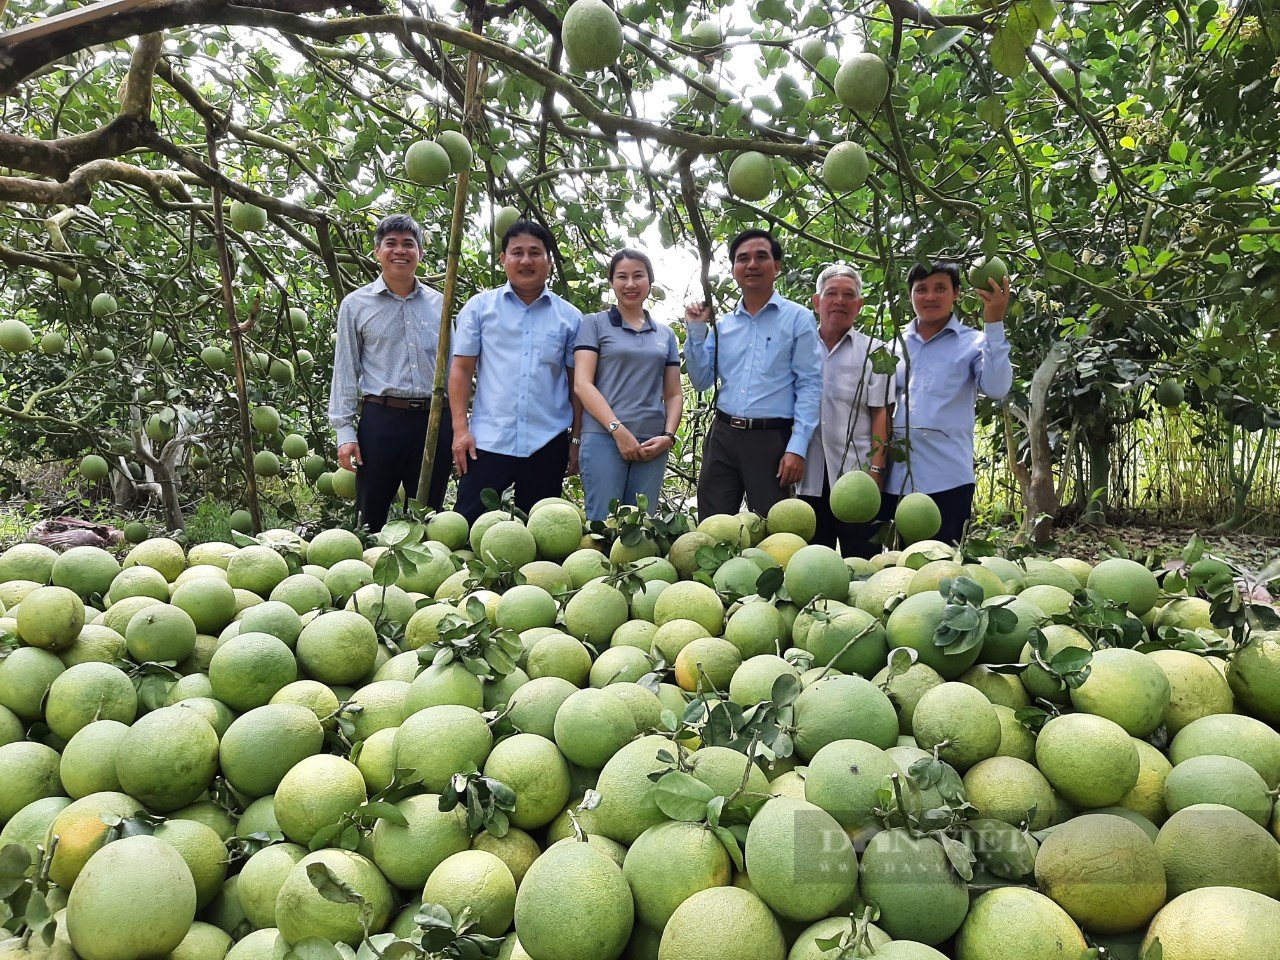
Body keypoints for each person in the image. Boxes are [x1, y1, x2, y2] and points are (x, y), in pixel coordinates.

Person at [449, 220, 583, 523]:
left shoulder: (570, 318)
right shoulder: (480, 308)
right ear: (503, 260)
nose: (526, 261)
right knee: (468, 529)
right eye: (517, 253)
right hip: (487, 441)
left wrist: (576, 440)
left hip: (547, 443)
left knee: (545, 535)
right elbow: (460, 370)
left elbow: (577, 385)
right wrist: (460, 430)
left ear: (548, 260)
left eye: (535, 253)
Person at [683, 229, 823, 517]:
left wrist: (797, 446)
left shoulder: (798, 319)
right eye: (742, 258)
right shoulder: (724, 326)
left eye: (762, 257)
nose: (752, 264)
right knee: (712, 524)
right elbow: (700, 380)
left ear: (777, 266)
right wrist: (696, 331)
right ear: (734, 269)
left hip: (771, 439)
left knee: (775, 530)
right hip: (723, 435)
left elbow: (810, 384)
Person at [328, 213, 454, 532]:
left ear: (421, 254)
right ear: (377, 252)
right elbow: (345, 369)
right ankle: (366, 577)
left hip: (434, 422)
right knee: (370, 518)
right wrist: (345, 434)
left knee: (429, 519)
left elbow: (455, 369)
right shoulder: (356, 305)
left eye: (409, 244)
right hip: (381, 420)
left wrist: (461, 426)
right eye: (391, 244)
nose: (400, 250)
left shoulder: (441, 304)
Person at [883, 260, 1013, 544]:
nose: (930, 297)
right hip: (896, 481)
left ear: (956, 293)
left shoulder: (973, 343)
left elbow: (997, 387)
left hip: (948, 481)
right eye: (921, 289)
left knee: (941, 570)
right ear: (911, 296)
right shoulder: (893, 348)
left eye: (940, 288)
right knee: (893, 571)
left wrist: (994, 321)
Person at [574, 249, 683, 521]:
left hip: (652, 443)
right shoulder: (594, 324)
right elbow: (583, 384)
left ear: (650, 281)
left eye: (638, 276)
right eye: (622, 277)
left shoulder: (665, 335)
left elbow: (673, 394)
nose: (630, 284)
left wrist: (668, 437)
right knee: (603, 525)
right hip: (604, 439)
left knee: (641, 528)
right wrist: (617, 430)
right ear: (612, 282)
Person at [795, 264, 894, 558]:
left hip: (857, 476)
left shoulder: (876, 351)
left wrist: (876, 470)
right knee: (812, 563)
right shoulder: (798, 347)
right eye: (831, 293)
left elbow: (881, 414)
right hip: (807, 476)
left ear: (859, 305)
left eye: (848, 295)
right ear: (816, 302)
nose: (839, 300)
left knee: (863, 563)